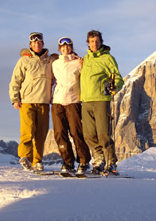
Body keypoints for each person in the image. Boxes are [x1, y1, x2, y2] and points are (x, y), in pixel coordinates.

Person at [9, 32, 55, 171]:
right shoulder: (24, 60)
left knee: (41, 133)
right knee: (27, 131)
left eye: (39, 42)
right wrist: (15, 99)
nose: (37, 44)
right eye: (34, 43)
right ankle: (25, 158)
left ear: (43, 44)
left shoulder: (50, 61)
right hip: (27, 101)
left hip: (44, 101)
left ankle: (37, 161)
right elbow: (15, 80)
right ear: (30, 45)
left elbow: (63, 66)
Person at [80, 30, 124, 174]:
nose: (95, 44)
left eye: (97, 41)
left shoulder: (107, 58)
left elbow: (117, 77)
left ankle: (110, 162)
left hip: (101, 99)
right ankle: (99, 159)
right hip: (86, 100)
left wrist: (115, 86)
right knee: (88, 134)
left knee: (103, 134)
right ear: (88, 43)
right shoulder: (85, 59)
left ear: (101, 42)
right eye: (92, 41)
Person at [51, 37, 91, 174]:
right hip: (57, 101)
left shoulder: (79, 62)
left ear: (72, 47)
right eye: (63, 46)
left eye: (68, 46)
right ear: (59, 48)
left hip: (73, 101)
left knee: (76, 132)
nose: (66, 48)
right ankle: (67, 162)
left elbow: (86, 79)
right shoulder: (55, 63)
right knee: (60, 133)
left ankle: (84, 161)